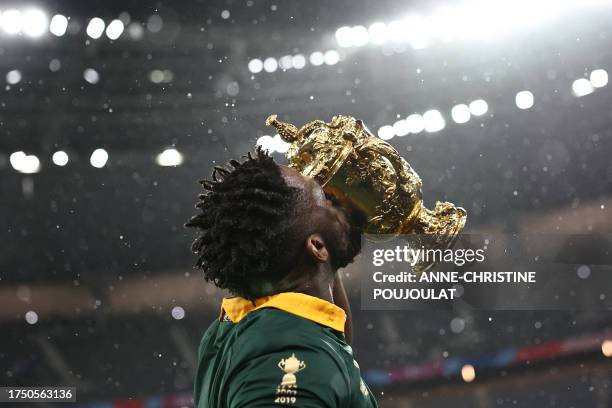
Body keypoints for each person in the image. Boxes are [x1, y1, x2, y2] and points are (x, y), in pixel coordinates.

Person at [186, 147, 378, 407]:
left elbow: (336, 337)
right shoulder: (290, 348)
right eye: (326, 200)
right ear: (317, 247)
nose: (338, 201)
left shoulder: (245, 329)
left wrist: (329, 262)